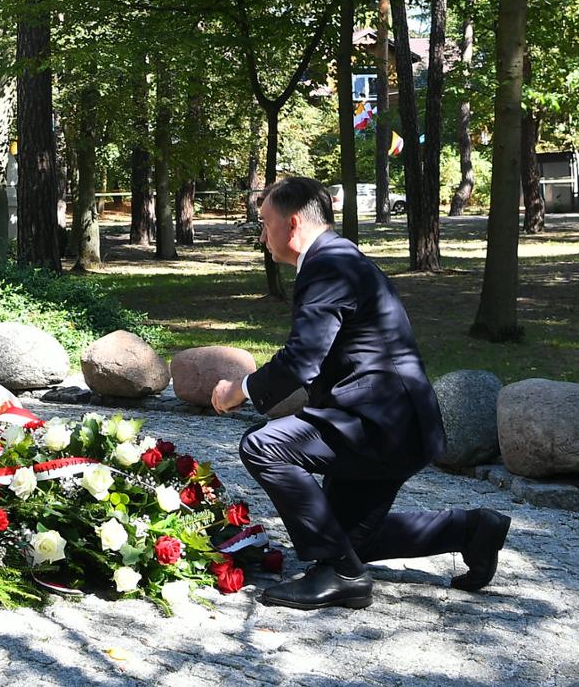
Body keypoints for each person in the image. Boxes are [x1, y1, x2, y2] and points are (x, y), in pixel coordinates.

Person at [210, 176, 510, 610]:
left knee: (263, 445)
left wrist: (238, 390)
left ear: (292, 224)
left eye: (264, 223)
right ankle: (471, 531)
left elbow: (302, 359)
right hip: (395, 423)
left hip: (379, 426)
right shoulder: (338, 258)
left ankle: (341, 575)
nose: (261, 236)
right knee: (349, 541)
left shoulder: (327, 266)